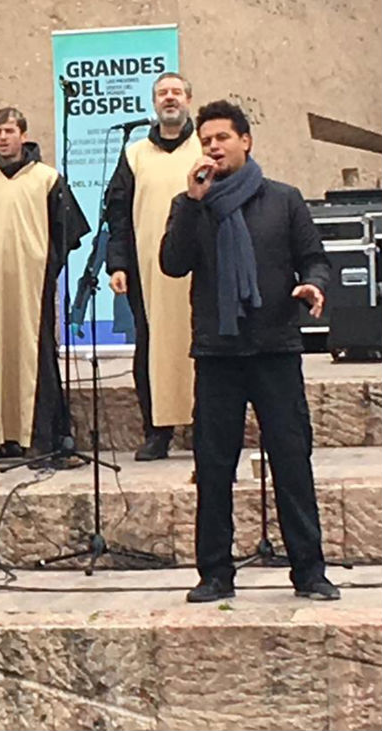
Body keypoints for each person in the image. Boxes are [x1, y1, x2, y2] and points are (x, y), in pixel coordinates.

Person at [161, 100, 338, 603]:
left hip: (275, 349)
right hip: (218, 354)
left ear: (246, 141)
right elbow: (173, 264)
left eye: (222, 137)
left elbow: (314, 259)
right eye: (206, 139)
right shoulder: (190, 204)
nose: (213, 146)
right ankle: (215, 573)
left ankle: (310, 571)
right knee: (214, 466)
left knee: (291, 461)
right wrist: (194, 203)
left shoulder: (283, 200)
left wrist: (313, 286)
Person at [0, 107, 89, 464]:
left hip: (33, 283)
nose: (3, 138)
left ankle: (43, 436)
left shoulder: (46, 178)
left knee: (36, 355)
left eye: (9, 131)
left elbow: (68, 232)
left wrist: (44, 259)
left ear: (23, 134)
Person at [106, 72, 203, 461]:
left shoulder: (204, 148)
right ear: (153, 102)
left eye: (177, 92)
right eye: (162, 93)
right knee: (151, 348)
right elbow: (117, 215)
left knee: (202, 347)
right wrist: (118, 264)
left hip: (201, 272)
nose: (169, 99)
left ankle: (204, 426)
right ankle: (157, 430)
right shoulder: (134, 154)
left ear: (189, 99)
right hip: (147, 272)